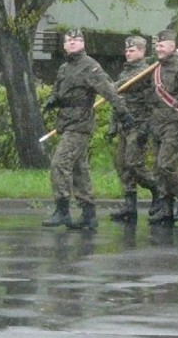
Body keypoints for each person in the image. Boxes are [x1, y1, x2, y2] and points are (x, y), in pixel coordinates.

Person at [42, 28, 135, 230]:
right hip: (65, 122)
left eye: (77, 40)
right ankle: (89, 214)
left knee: (59, 163)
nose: (72, 43)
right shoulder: (64, 68)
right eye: (69, 40)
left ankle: (62, 210)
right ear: (64, 45)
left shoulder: (90, 67)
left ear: (83, 44)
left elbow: (109, 91)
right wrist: (52, 99)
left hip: (80, 124)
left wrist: (123, 113)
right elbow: (58, 90)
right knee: (79, 169)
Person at [148, 29, 178, 225]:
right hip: (157, 124)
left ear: (172, 46)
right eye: (157, 45)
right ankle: (167, 208)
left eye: (162, 45)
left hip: (174, 124)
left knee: (166, 164)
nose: (158, 48)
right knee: (158, 169)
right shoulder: (156, 69)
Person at [108, 36, 159, 223]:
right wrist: (113, 126)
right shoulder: (125, 73)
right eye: (127, 50)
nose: (128, 53)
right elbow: (117, 101)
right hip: (124, 125)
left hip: (139, 125)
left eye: (132, 50)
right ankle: (130, 205)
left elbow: (153, 102)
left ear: (142, 51)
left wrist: (147, 127)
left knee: (133, 163)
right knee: (122, 164)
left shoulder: (147, 73)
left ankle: (157, 189)